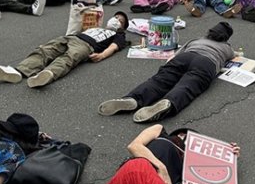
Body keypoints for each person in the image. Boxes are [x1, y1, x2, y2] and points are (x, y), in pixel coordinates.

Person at [98, 22, 235, 123]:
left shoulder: (198, 40)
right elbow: (233, 56)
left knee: (159, 81)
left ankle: (134, 99)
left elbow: (178, 53)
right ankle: (168, 102)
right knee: (187, 87)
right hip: (206, 63)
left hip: (185, 57)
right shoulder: (227, 48)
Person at [95, 125, 240, 184]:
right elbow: (134, 146)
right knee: (139, 167)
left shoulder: (189, 176)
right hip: (138, 173)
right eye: (184, 137)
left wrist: (228, 158)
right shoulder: (159, 132)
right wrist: (161, 168)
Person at [0, 11, 129, 88]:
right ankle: (19, 71)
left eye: (120, 21)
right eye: (116, 17)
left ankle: (46, 75)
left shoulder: (118, 34)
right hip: (72, 37)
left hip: (86, 46)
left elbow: (114, 47)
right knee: (45, 50)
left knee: (68, 58)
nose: (116, 20)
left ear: (123, 26)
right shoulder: (98, 26)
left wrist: (102, 55)